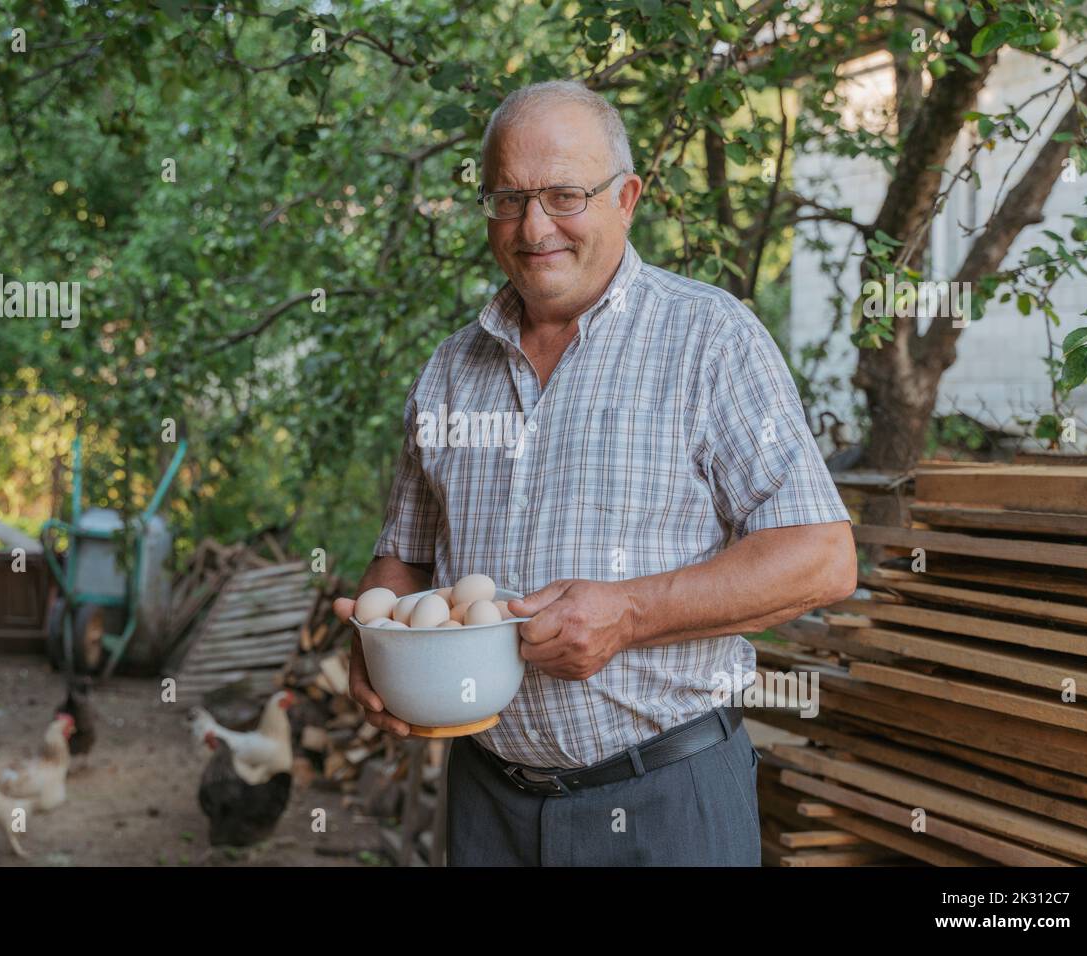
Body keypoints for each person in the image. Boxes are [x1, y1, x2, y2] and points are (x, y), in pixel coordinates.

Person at [333, 80, 856, 866]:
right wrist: (381, 645)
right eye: (508, 198)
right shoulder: (450, 371)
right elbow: (402, 559)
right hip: (487, 801)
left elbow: (822, 556)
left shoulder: (709, 339)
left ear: (628, 198)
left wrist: (629, 614)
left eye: (565, 195)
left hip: (666, 803)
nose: (534, 226)